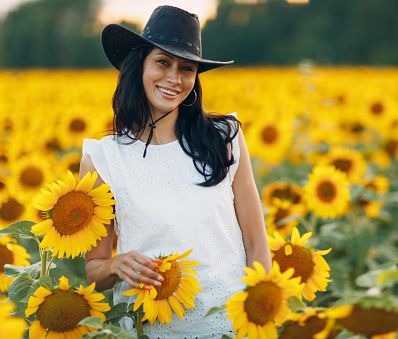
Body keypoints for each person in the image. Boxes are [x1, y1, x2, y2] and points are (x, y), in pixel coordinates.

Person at [79, 5, 271, 338]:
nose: (174, 79)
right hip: (150, 328)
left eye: (187, 68)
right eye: (162, 62)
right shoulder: (104, 159)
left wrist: (259, 315)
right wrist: (115, 265)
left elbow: (256, 243)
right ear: (139, 64)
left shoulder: (225, 138)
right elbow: (94, 270)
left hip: (230, 324)